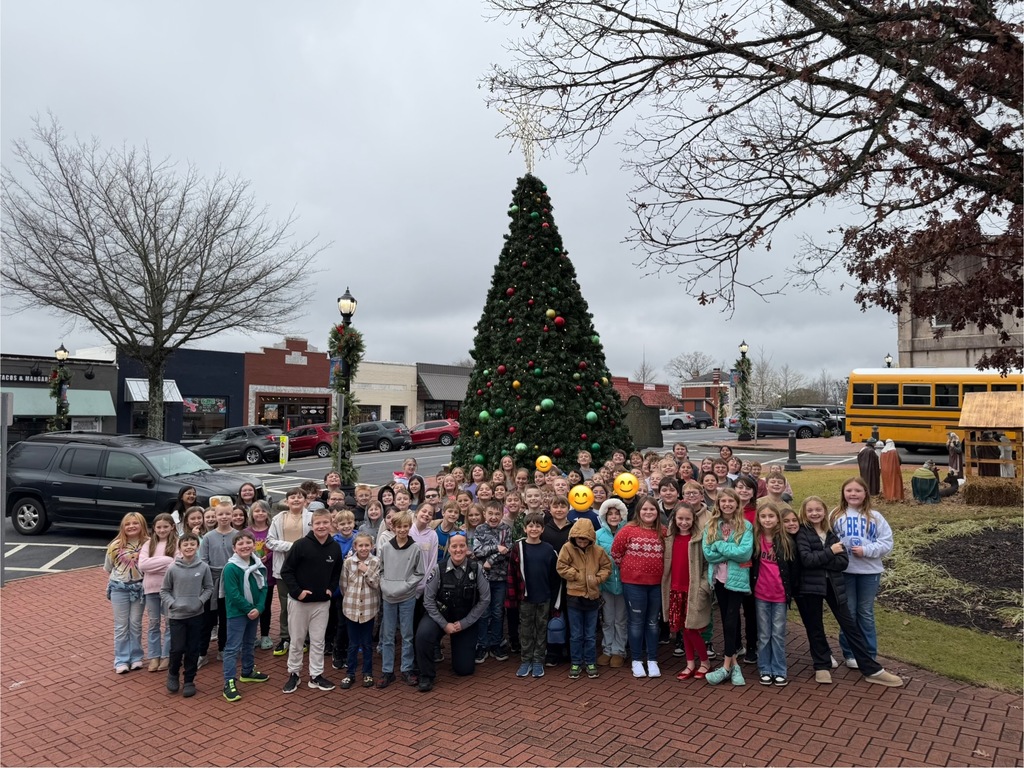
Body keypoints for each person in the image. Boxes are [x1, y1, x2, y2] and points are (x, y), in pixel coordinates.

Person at [795, 496, 903, 687]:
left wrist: (824, 556)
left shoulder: (831, 532)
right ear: (804, 512)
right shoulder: (803, 533)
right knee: (815, 626)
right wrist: (830, 552)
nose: (814, 513)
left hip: (834, 585)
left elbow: (842, 561)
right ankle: (822, 665)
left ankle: (871, 669)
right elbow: (806, 560)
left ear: (824, 510)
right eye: (810, 510)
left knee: (850, 625)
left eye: (818, 509)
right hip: (810, 586)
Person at [414, 533, 490, 691]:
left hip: (464, 617)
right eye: (454, 546)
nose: (458, 549)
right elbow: (428, 600)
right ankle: (426, 675)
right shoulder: (438, 569)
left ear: (467, 547)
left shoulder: (476, 569)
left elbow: (485, 600)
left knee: (464, 670)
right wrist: (444, 625)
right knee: (423, 635)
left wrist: (465, 623)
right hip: (440, 615)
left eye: (462, 545)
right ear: (449, 548)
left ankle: (460, 650)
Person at [279, 508, 343, 694]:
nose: (321, 526)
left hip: (322, 603)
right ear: (312, 525)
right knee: (297, 639)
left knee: (318, 641)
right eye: (318, 523)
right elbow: (286, 571)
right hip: (300, 603)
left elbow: (337, 571)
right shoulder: (300, 545)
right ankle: (294, 673)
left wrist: (331, 589)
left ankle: (316, 675)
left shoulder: (335, 547)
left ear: (330, 523)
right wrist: (297, 592)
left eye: (325, 522)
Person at [832, 477, 894, 668]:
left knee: (865, 612)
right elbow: (826, 539)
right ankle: (850, 653)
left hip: (869, 571)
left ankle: (869, 653)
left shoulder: (875, 516)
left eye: (857, 490)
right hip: (845, 571)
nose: (853, 494)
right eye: (849, 490)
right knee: (848, 612)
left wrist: (867, 551)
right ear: (843, 493)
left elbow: (887, 543)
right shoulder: (835, 515)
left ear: (865, 493)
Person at [702, 488, 753, 686]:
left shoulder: (745, 526)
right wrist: (729, 552)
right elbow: (708, 554)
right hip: (719, 580)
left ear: (737, 504)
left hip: (737, 579)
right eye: (723, 501)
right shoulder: (712, 525)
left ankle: (725, 666)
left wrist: (721, 547)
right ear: (719, 504)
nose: (727, 505)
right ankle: (734, 666)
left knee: (731, 620)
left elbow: (744, 554)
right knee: (726, 620)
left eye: (731, 502)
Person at [611, 495, 665, 679]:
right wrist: (629, 569)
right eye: (645, 509)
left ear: (657, 512)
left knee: (652, 623)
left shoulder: (663, 532)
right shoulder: (628, 530)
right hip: (633, 584)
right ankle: (636, 660)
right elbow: (616, 552)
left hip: (656, 585)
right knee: (635, 623)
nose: (648, 512)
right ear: (638, 511)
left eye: (652, 509)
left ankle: (652, 659)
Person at [749, 501, 798, 686]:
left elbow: (793, 569)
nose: (767, 519)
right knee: (764, 634)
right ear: (759, 519)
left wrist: (791, 591)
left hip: (779, 595)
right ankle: (765, 668)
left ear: (777, 519)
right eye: (763, 516)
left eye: (771, 516)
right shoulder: (755, 539)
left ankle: (779, 669)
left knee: (777, 633)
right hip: (761, 594)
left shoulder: (785, 541)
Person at [506, 512, 560, 678]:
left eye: (537, 526)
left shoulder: (549, 549)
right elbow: (512, 574)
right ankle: (526, 659)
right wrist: (513, 598)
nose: (534, 528)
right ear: (525, 528)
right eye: (530, 526)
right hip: (525, 598)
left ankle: (538, 660)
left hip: (544, 596)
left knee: (541, 628)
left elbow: (554, 577)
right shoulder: (518, 548)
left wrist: (554, 600)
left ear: (542, 529)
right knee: (526, 629)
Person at [557, 519, 612, 679]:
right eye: (579, 538)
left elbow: (606, 567)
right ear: (574, 537)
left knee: (589, 634)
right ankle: (576, 661)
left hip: (592, 597)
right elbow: (561, 566)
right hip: (574, 596)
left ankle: (590, 661)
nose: (582, 541)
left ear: (590, 538)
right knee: (576, 634)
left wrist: (596, 579)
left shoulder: (598, 551)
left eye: (585, 538)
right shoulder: (567, 548)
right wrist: (576, 576)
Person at [662, 503, 712, 681]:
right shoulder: (669, 538)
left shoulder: (699, 538)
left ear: (693, 520)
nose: (684, 522)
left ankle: (705, 662)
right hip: (675, 589)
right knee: (683, 630)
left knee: (692, 629)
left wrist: (703, 587)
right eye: (680, 518)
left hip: (693, 590)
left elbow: (708, 565)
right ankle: (690, 663)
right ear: (674, 519)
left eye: (687, 519)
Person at [160, 532, 213, 697]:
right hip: (177, 616)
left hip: (196, 615)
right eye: (185, 544)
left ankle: (189, 679)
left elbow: (209, 588)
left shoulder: (203, 567)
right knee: (177, 648)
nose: (189, 547)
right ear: (180, 548)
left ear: (197, 546)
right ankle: (173, 673)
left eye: (192, 544)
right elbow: (164, 590)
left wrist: (199, 602)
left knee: (193, 649)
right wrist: (173, 604)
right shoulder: (173, 568)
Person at [221, 531, 270, 701]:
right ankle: (229, 682)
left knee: (250, 642)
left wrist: (259, 607)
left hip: (254, 611)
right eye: (240, 544)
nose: (245, 546)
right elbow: (233, 593)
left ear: (254, 544)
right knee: (233, 647)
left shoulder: (258, 565)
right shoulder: (231, 568)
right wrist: (249, 609)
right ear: (234, 548)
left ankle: (247, 671)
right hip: (237, 613)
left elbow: (264, 588)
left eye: (248, 542)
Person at [377, 511, 425, 688]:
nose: (402, 530)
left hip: (407, 597)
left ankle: (406, 669)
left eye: (406, 526)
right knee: (388, 635)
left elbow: (419, 572)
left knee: (407, 634)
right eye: (399, 526)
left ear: (409, 527)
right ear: (393, 527)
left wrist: (406, 585)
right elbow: (380, 570)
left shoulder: (415, 548)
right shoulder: (386, 548)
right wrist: (384, 585)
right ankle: (387, 671)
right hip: (388, 596)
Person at [266, 488, 312, 656]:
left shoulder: (312, 518)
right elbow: (269, 542)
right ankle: (285, 637)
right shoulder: (278, 518)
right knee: (285, 605)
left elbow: (315, 540)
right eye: (292, 497)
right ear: (287, 501)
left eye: (300, 497)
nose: (296, 500)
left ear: (305, 501)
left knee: (305, 603)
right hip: (283, 569)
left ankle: (304, 638)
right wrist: (293, 546)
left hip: (305, 568)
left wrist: (300, 549)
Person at [104, 512, 149, 674]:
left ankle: (136, 657)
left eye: (135, 523)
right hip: (119, 588)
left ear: (142, 525)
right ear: (123, 527)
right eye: (128, 524)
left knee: (136, 624)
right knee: (121, 625)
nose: (131, 526)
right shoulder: (115, 545)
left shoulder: (149, 544)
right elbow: (109, 568)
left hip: (140, 589)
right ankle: (121, 659)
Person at [338, 533, 381, 690]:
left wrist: (366, 571)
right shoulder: (348, 563)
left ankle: (367, 672)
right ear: (355, 547)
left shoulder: (375, 562)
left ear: (372, 546)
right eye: (360, 546)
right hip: (351, 608)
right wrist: (349, 599)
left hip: (368, 609)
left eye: (366, 545)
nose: (363, 548)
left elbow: (377, 584)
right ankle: (350, 673)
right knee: (353, 643)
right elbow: (343, 585)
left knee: (367, 643)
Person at [197, 500, 236, 669]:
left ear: (232, 515)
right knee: (207, 619)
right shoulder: (208, 537)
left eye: (228, 513)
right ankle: (202, 653)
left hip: (230, 583)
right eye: (220, 514)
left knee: (226, 618)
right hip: (211, 584)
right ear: (215, 516)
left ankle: (223, 648)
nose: (224, 517)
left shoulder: (237, 535)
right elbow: (203, 561)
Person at [472, 501, 513, 663]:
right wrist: (496, 548)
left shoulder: (506, 529)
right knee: (483, 612)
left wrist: (490, 560)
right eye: (491, 514)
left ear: (502, 515)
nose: (494, 517)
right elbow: (477, 551)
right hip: (484, 578)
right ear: (485, 514)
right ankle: (482, 644)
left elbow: (507, 550)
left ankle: (496, 643)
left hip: (500, 578)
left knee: (497, 612)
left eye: (497, 514)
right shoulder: (480, 530)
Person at [138, 512, 177, 672]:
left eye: (165, 526)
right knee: (154, 623)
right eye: (159, 527)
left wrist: (156, 565)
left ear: (172, 527)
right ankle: (154, 656)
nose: (162, 530)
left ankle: (167, 656)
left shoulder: (177, 543)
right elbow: (142, 565)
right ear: (154, 528)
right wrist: (167, 561)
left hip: (170, 590)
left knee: (169, 623)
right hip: (150, 589)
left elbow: (176, 566)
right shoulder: (148, 545)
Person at [595, 499, 628, 668]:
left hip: (624, 584)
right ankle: (607, 649)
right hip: (606, 584)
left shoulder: (628, 532)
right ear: (604, 516)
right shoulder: (598, 535)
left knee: (621, 620)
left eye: (617, 513)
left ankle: (619, 650)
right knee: (607, 619)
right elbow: (595, 560)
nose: (614, 517)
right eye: (610, 514)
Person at [245, 500, 276, 650]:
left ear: (268, 513)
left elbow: (275, 547)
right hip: (252, 575)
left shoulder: (272, 530)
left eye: (263, 511)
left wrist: (267, 558)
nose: (260, 514)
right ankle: (252, 635)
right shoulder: (247, 531)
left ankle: (265, 635)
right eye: (257, 511)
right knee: (252, 605)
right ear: (252, 513)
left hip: (268, 574)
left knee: (265, 605)